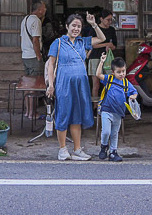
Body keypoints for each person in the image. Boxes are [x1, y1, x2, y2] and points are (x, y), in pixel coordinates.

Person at [45, 12, 106, 161]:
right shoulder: (58, 43)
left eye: (79, 26)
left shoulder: (82, 42)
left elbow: (102, 38)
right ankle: (62, 149)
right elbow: (51, 65)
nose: (76, 29)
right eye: (73, 25)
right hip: (64, 84)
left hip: (81, 85)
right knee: (63, 114)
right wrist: (51, 85)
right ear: (67, 26)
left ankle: (77, 149)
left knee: (77, 116)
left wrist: (94, 24)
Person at [95, 56, 136, 162]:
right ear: (113, 72)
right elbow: (98, 74)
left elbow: (134, 92)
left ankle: (113, 152)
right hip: (106, 110)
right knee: (106, 132)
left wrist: (133, 96)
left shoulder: (126, 83)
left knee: (114, 133)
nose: (122, 74)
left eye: (123, 71)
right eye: (119, 72)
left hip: (118, 112)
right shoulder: (109, 79)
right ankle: (104, 146)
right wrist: (101, 62)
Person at [20, 0, 47, 120]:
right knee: (35, 86)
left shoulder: (25, 19)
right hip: (33, 57)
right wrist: (38, 56)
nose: (45, 10)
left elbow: (22, 38)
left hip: (26, 56)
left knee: (27, 85)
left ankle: (28, 112)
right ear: (40, 9)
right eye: (44, 7)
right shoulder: (36, 21)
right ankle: (33, 113)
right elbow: (35, 40)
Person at [87, 9, 118, 104]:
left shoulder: (111, 30)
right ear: (101, 19)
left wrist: (110, 46)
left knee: (108, 83)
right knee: (96, 84)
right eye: (108, 19)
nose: (110, 22)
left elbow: (115, 45)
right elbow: (91, 45)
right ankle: (95, 106)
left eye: (111, 20)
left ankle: (107, 104)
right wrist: (106, 44)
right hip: (95, 58)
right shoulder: (94, 29)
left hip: (107, 59)